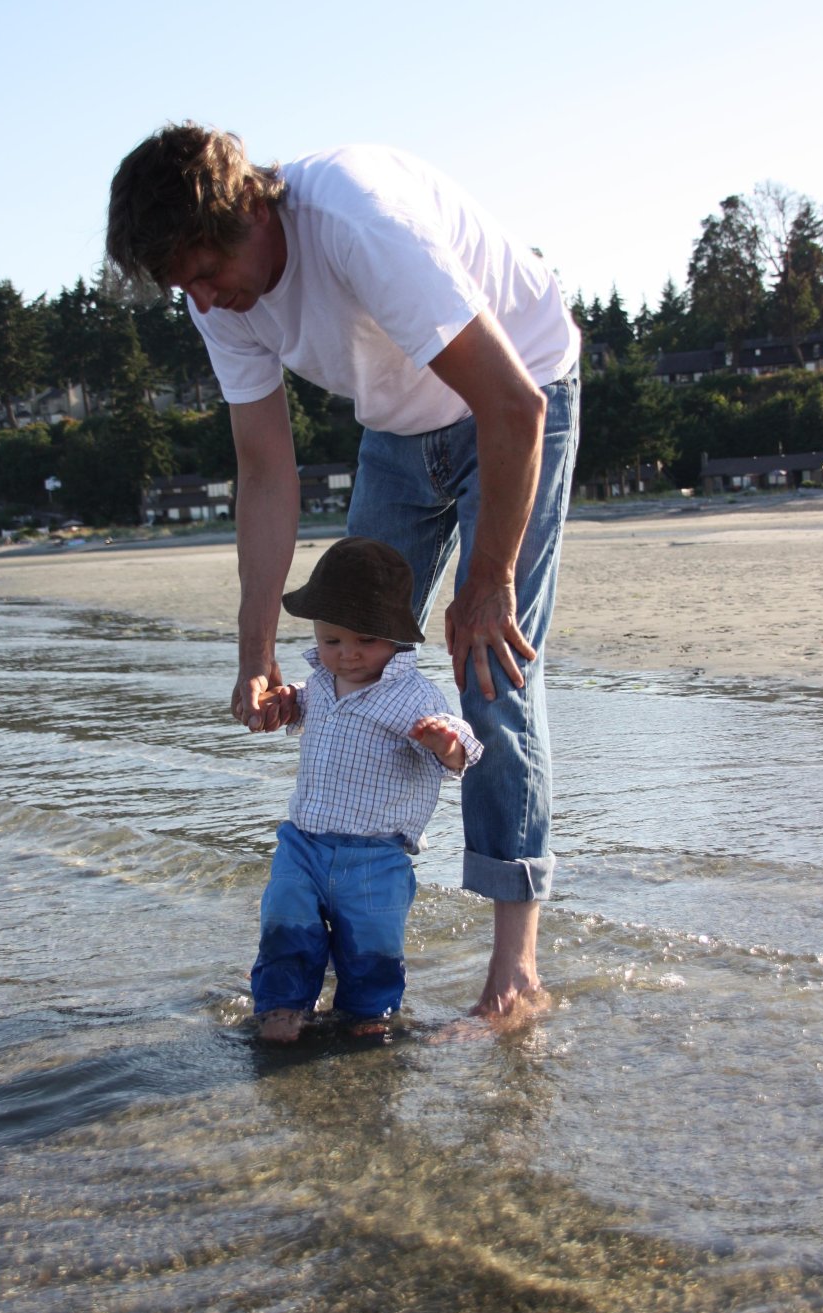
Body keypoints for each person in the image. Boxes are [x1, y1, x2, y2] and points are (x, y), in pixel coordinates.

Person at [106, 123, 581, 1022]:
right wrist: (257, 653)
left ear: (250, 205)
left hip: (522, 394)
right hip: (398, 430)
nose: (204, 299)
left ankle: (514, 972)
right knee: (346, 660)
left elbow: (510, 400)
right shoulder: (214, 298)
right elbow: (264, 469)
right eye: (184, 287)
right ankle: (349, 938)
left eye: (208, 271)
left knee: (493, 669)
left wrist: (488, 582)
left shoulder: (359, 220)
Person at [251, 536, 482, 1042]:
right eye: (332, 641)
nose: (348, 654)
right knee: (286, 922)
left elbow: (463, 746)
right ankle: (283, 1005)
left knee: (372, 945)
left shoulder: (412, 694)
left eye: (364, 641)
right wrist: (284, 702)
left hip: (377, 855)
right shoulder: (321, 684)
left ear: (395, 637)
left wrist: (444, 743)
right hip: (304, 843)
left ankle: (368, 1015)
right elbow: (302, 705)